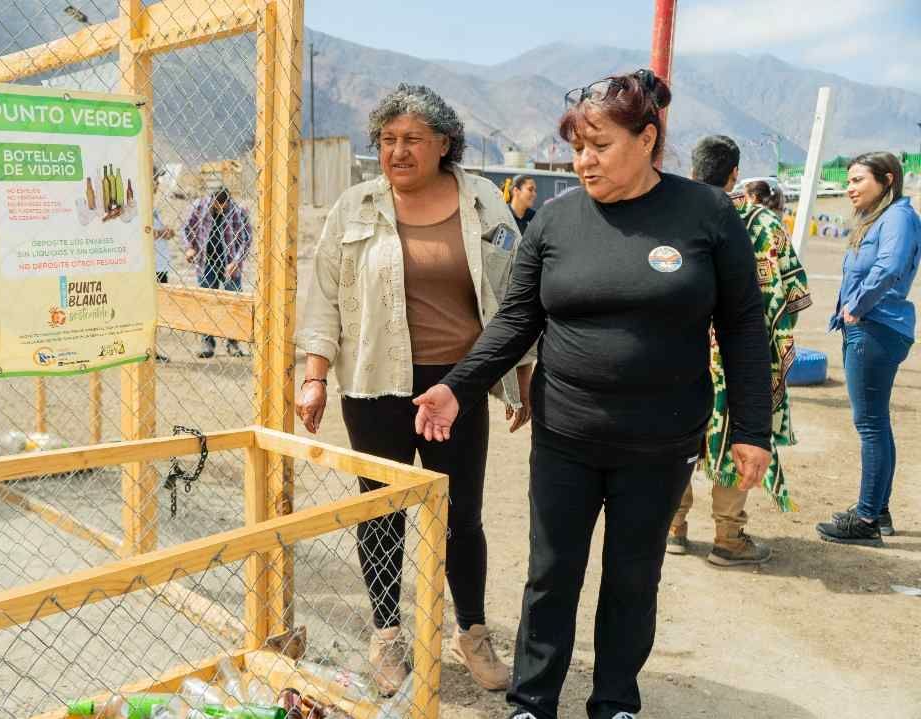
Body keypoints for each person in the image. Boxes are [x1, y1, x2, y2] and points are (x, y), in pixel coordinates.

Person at [412, 70, 772, 719]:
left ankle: (614, 702)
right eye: (578, 146)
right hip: (566, 434)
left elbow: (743, 321)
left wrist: (752, 426)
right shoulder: (555, 220)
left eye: (599, 145)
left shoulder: (706, 214)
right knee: (552, 572)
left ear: (648, 139)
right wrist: (456, 387)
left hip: (661, 439)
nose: (584, 160)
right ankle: (532, 700)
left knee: (634, 575)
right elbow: (516, 320)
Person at [296, 83, 535, 696]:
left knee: (463, 515)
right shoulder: (356, 208)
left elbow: (517, 296)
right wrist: (315, 375)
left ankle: (471, 631)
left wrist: (522, 376)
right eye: (387, 140)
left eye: (411, 140)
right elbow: (323, 295)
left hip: (459, 386)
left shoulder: (483, 202)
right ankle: (386, 634)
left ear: (444, 145)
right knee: (381, 514)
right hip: (375, 384)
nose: (396, 151)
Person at [667, 136, 812, 567]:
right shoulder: (765, 224)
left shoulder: (672, 217)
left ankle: (673, 527)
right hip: (744, 356)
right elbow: (793, 294)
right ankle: (728, 537)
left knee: (677, 433)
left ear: (694, 171)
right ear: (734, 175)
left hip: (681, 352)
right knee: (738, 434)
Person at [817, 152, 919, 546]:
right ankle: (879, 508)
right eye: (848, 180)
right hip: (875, 328)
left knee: (870, 425)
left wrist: (855, 307)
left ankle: (865, 519)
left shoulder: (897, 216)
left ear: (887, 179)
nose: (849, 187)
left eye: (858, 179)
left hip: (875, 328)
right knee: (877, 423)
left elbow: (890, 267)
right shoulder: (883, 217)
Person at [182, 187, 251, 358]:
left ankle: (233, 344)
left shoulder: (238, 212)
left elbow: (246, 238)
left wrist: (236, 261)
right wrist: (190, 247)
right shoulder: (200, 206)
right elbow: (186, 228)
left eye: (221, 206)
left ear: (227, 202)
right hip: (206, 262)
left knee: (233, 304)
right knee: (207, 302)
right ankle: (207, 343)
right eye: (215, 205)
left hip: (230, 264)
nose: (218, 209)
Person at [153, 167, 174, 363]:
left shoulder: (154, 209)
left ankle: (151, 348)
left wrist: (167, 232)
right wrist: (161, 233)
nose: (158, 185)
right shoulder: (138, 205)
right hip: (149, 267)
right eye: (155, 181)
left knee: (156, 311)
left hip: (160, 266)